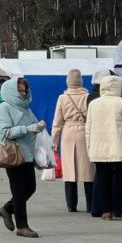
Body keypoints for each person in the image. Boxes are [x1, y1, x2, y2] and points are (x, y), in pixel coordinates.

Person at [85, 75, 122, 222]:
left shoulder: (94, 104)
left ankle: (106, 212)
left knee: (103, 180)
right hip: (121, 148)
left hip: (100, 150)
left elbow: (88, 129)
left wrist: (90, 149)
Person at [0, 76, 45, 238]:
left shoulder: (26, 107)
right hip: (13, 154)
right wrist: (27, 129)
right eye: (20, 91)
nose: (23, 94)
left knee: (30, 188)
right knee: (18, 191)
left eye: (25, 90)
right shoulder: (4, 108)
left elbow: (33, 124)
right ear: (11, 91)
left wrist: (38, 126)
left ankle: (7, 209)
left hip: (27, 154)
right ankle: (22, 226)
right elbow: (5, 132)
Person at [51, 69, 93, 213]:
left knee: (70, 170)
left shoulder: (62, 98)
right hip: (85, 132)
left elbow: (57, 122)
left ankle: (71, 205)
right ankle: (91, 204)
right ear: (81, 81)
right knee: (89, 171)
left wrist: (54, 141)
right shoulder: (88, 96)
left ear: (68, 81)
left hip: (68, 134)